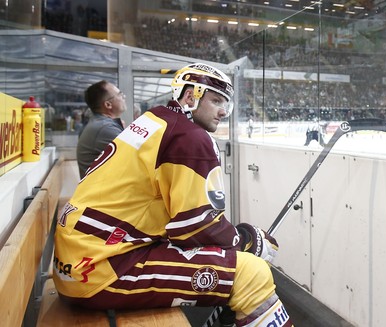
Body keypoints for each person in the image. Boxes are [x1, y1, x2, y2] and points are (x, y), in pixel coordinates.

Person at [53, 63, 293, 327]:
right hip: (100, 269)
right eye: (215, 101)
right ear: (190, 96)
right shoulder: (189, 137)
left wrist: (238, 241)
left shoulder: (153, 119)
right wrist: (247, 240)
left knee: (233, 263)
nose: (223, 111)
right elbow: (194, 227)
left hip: (78, 260)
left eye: (226, 103)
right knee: (251, 273)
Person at [76, 80, 126, 178]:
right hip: (106, 192)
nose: (124, 97)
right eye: (120, 94)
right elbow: (137, 157)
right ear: (108, 105)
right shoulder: (105, 128)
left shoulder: (101, 124)